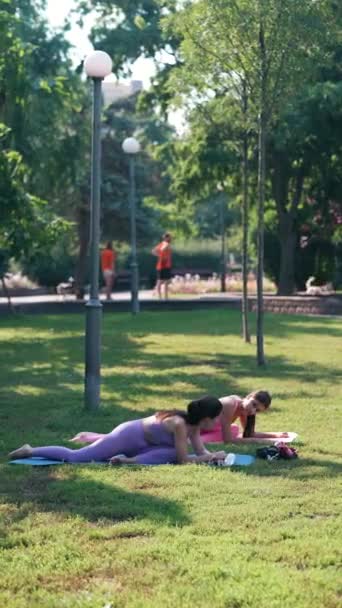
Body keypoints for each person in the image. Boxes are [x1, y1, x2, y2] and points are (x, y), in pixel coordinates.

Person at [8, 396, 227, 466]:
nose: (218, 421)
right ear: (207, 418)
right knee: (77, 458)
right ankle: (30, 450)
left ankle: (129, 461)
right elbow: (184, 461)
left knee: (170, 452)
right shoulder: (180, 424)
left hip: (146, 445)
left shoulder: (194, 427)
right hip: (128, 435)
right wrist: (211, 457)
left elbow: (199, 452)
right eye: (216, 417)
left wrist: (212, 457)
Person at [201, 390, 291, 444]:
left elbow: (250, 434)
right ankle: (194, 439)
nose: (253, 410)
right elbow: (228, 441)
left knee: (234, 429)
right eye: (254, 404)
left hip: (211, 428)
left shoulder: (245, 412)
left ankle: (201, 438)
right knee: (231, 434)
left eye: (257, 410)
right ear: (248, 397)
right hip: (197, 428)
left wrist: (275, 435)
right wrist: (262, 442)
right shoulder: (230, 404)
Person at [152, 232, 172, 300]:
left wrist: (159, 255)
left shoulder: (161, 244)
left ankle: (163, 297)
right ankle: (163, 297)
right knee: (162, 281)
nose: (171, 238)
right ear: (166, 238)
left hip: (164, 265)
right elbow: (162, 249)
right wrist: (162, 253)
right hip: (163, 265)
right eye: (170, 237)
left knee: (164, 281)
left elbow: (153, 251)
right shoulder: (166, 244)